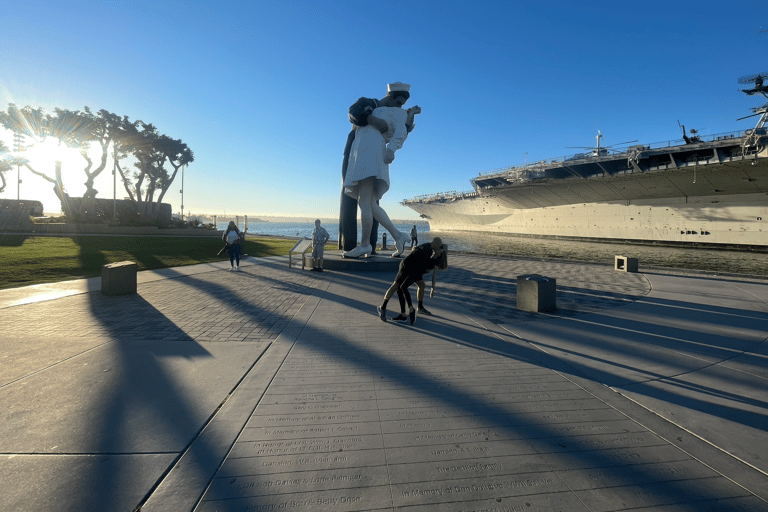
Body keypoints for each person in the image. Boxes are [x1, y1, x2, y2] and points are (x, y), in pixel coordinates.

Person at [342, 82, 421, 259]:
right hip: (361, 150)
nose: (401, 106)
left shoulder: (398, 112)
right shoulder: (370, 104)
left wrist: (391, 149)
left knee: (365, 200)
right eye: (399, 102)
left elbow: (401, 132)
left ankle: (364, 245)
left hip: (370, 150)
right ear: (389, 96)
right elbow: (353, 112)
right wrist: (372, 119)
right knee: (369, 203)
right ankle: (398, 235)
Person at [378, 237, 448, 325]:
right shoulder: (428, 250)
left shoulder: (427, 247)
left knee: (421, 285)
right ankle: (383, 307)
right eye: (439, 246)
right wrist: (434, 257)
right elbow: (426, 265)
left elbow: (422, 261)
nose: (439, 248)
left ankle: (420, 307)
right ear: (436, 244)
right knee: (396, 286)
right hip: (406, 266)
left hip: (414, 269)